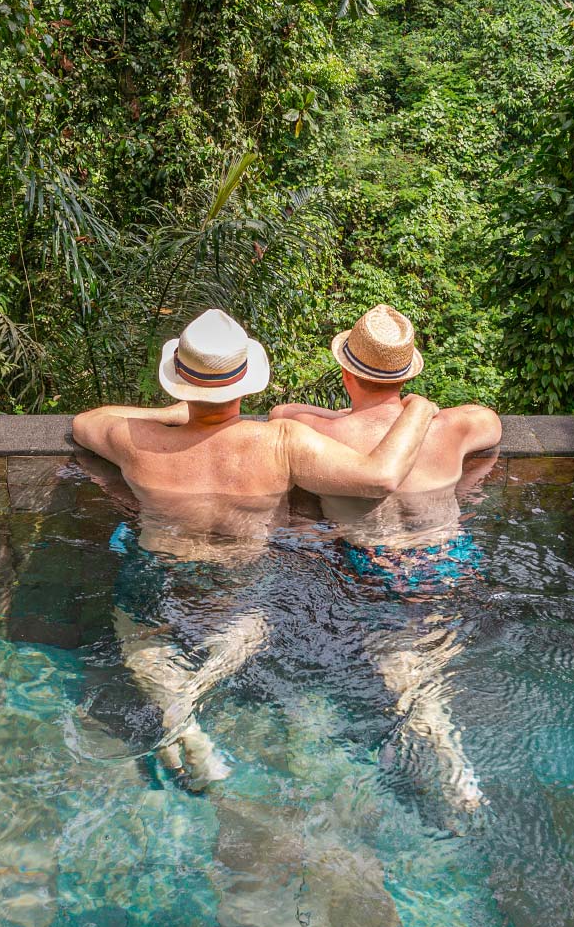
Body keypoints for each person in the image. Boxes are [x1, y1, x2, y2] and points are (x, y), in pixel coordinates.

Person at [71, 308, 439, 790]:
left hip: (159, 573)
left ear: (179, 383)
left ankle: (181, 719)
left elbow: (84, 422)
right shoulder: (280, 442)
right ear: (244, 384)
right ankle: (195, 698)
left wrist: (176, 415)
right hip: (238, 584)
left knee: (142, 637)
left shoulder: (133, 440)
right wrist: (419, 409)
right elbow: (380, 477)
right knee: (248, 628)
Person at [271, 304, 502, 811]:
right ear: (407, 374)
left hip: (379, 569)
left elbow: (279, 415)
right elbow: (492, 424)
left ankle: (449, 758)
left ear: (346, 371)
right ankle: (445, 748)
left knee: (404, 669)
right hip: (453, 560)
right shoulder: (453, 427)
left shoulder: (320, 436)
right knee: (426, 662)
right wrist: (419, 410)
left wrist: (346, 416)